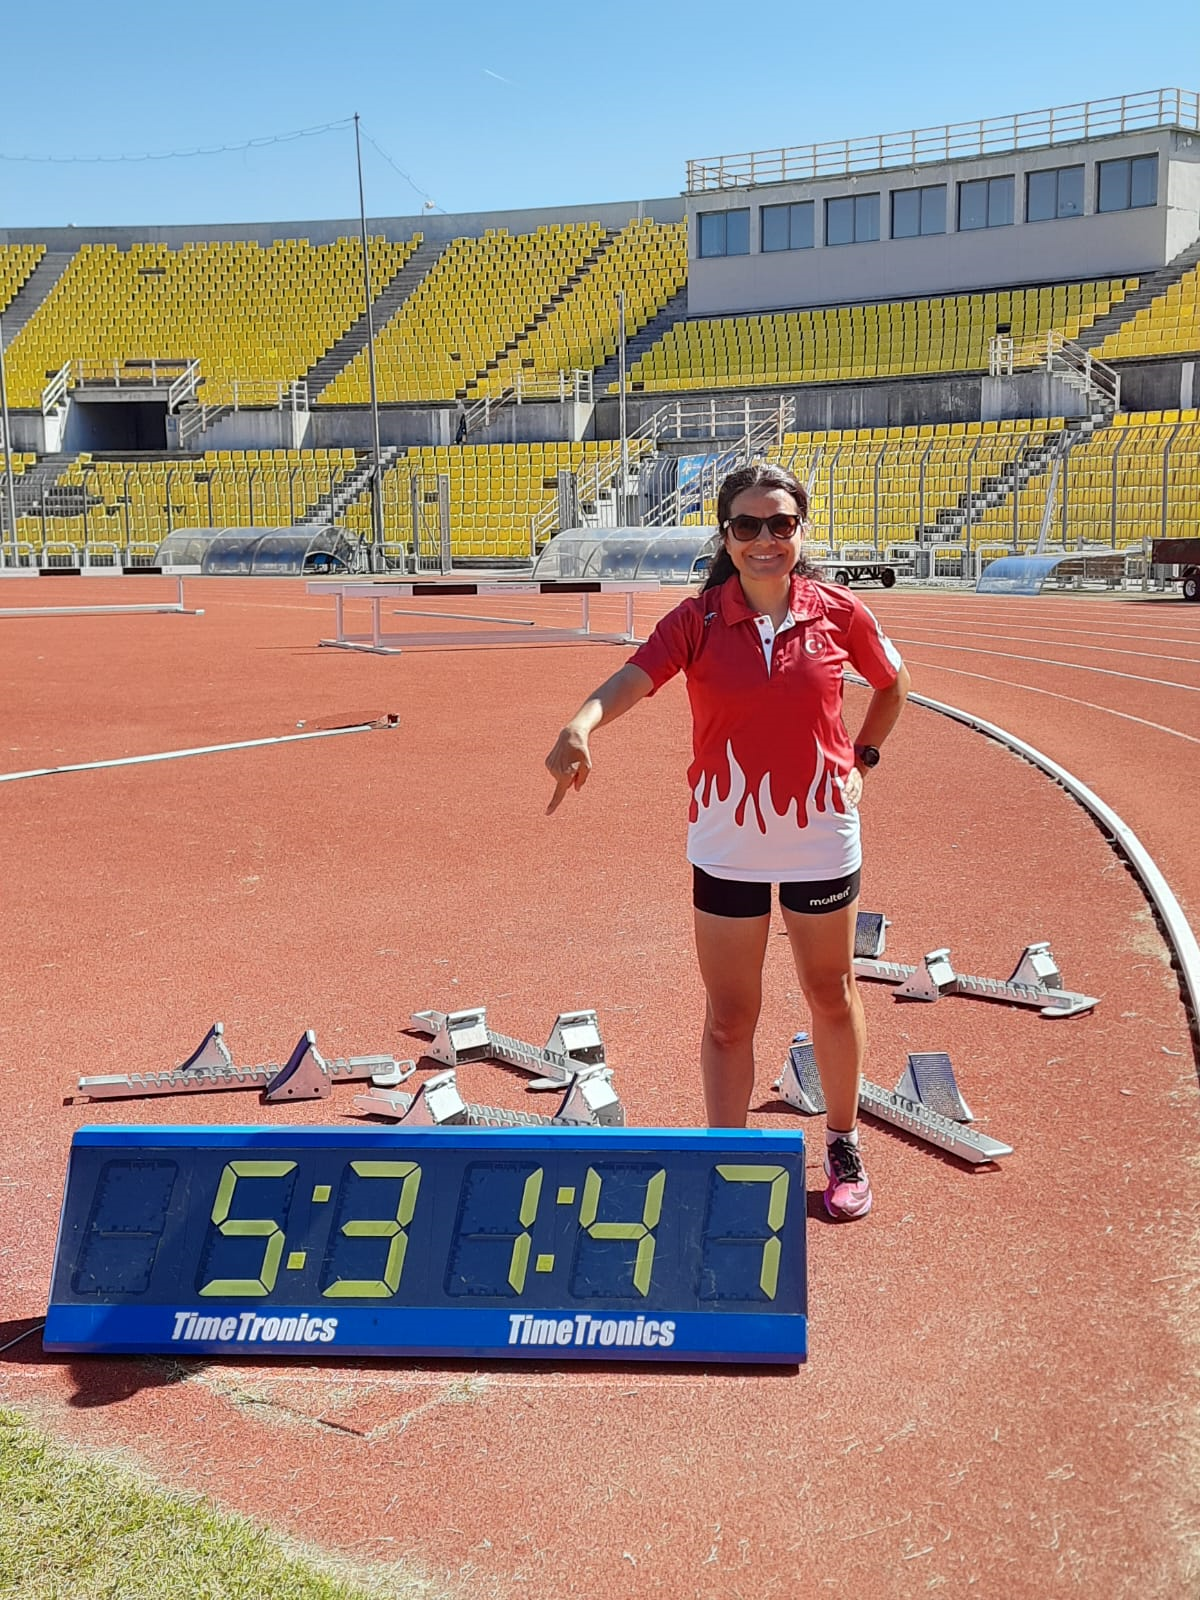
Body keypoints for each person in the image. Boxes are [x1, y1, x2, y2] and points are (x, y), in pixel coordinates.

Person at [545, 462, 910, 1220]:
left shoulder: (841, 614)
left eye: (781, 524)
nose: (766, 539)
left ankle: (842, 1141)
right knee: (727, 1014)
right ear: (727, 536)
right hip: (727, 840)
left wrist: (864, 760)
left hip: (819, 835)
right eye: (748, 525)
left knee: (830, 995)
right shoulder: (698, 620)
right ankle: (727, 1160)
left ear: (801, 532)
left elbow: (892, 684)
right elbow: (633, 678)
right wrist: (580, 724)